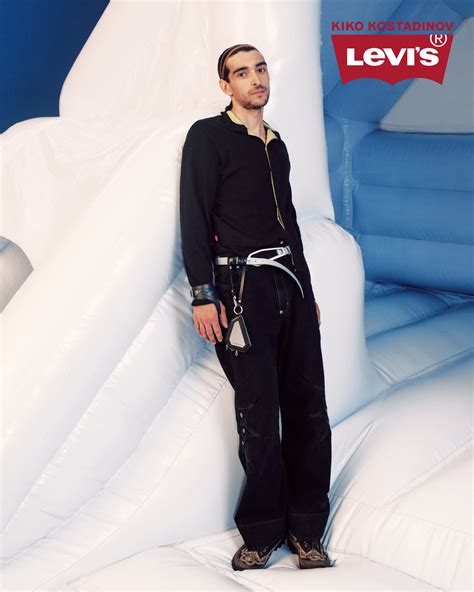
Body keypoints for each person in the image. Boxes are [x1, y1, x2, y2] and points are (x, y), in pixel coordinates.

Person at [179, 43, 332, 571]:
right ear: (226, 86)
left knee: (309, 408)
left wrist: (308, 293)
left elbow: (290, 222)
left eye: (260, 69)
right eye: (242, 73)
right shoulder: (207, 137)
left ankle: (307, 530)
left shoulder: (277, 143)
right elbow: (194, 216)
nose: (255, 79)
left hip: (290, 284)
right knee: (259, 413)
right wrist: (203, 293)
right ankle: (262, 532)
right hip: (240, 288)